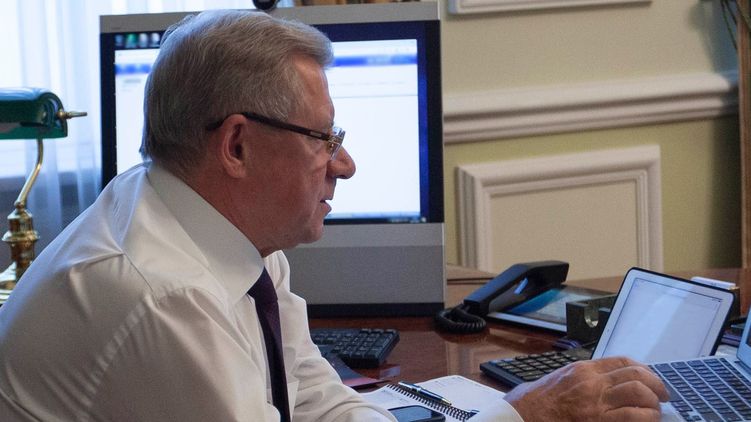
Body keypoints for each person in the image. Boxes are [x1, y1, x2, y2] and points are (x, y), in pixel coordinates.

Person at [0, 9, 668, 422]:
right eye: (323, 138)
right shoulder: (163, 295)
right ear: (236, 145)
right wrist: (520, 416)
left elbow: (319, 403)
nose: (344, 165)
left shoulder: (221, 229)